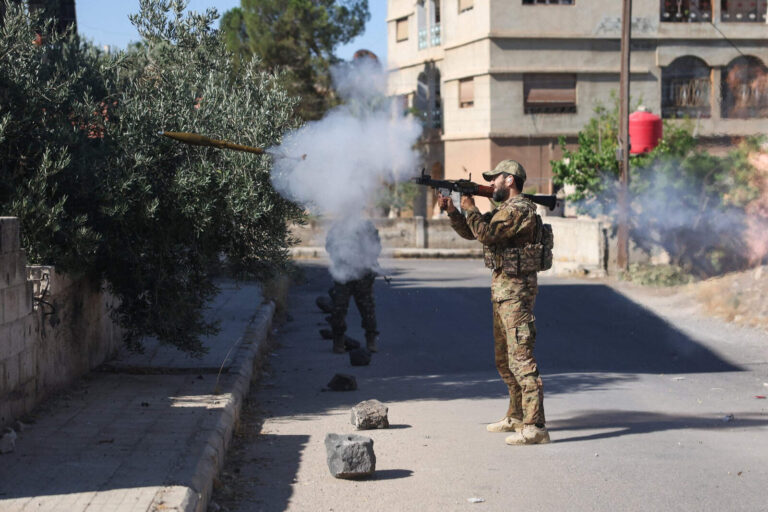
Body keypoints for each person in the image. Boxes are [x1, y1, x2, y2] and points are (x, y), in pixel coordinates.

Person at [439, 159, 549, 445]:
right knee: (504, 360)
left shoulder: (519, 210)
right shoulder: (503, 211)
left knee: (521, 359)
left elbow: (486, 233)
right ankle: (515, 415)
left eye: (496, 179)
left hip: (516, 293)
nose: (492, 184)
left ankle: (535, 426)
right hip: (503, 293)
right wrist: (454, 211)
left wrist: (470, 204)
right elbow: (475, 233)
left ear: (510, 180)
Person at [325, 218, 381, 354]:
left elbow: (376, 246)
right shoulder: (338, 226)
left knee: (367, 309)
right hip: (343, 273)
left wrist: (366, 259)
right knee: (339, 308)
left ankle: (371, 340)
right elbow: (329, 246)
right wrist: (340, 257)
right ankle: (338, 341)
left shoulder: (366, 226)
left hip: (363, 274)